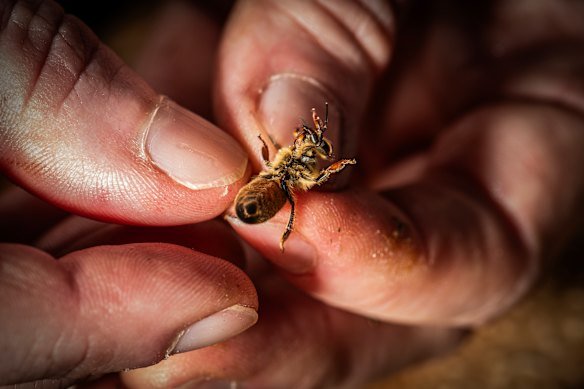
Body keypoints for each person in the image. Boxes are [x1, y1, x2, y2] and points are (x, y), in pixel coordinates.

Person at [1, 0, 583, 387]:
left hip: (279, 192)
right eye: (310, 140)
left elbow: (306, 163)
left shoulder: (295, 171)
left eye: (314, 141)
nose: (309, 140)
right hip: (272, 191)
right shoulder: (288, 167)